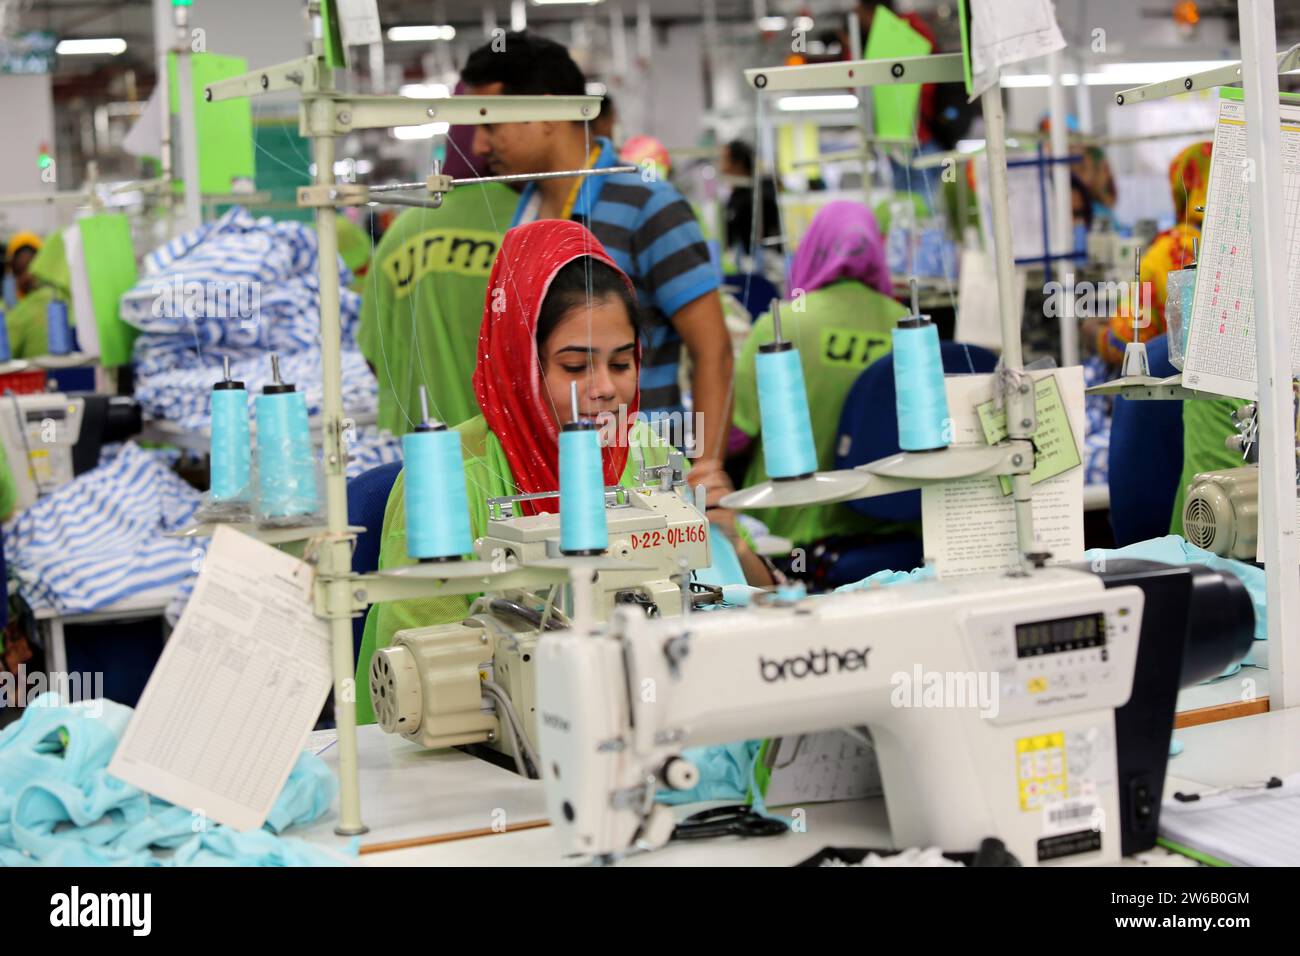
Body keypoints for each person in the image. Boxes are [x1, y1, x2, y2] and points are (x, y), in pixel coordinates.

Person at [354, 220, 767, 722]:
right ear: (519, 363)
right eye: (575, 367)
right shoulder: (451, 483)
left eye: (620, 364)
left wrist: (733, 540)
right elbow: (421, 673)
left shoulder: (649, 455)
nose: (605, 389)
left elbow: (731, 604)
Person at [460, 32, 735, 490]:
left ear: (547, 112)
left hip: (646, 473)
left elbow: (714, 350)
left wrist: (704, 474)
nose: (480, 147)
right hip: (559, 476)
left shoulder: (648, 205)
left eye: (491, 125)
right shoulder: (522, 220)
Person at [731, 200, 909, 549]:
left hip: (792, 530)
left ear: (812, 248)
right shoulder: (904, 322)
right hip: (891, 531)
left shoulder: (781, 324)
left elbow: (736, 435)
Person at [356, 182, 518, 434]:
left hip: (422, 444)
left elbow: (373, 353)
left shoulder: (402, 231)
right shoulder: (539, 220)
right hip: (511, 446)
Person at [721, 139, 781, 257]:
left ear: (738, 163)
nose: (722, 167)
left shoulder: (760, 198)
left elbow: (772, 241)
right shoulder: (734, 198)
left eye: (725, 160)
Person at [4, 232, 42, 300]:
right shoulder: (4, 306)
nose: (26, 277)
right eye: (20, 270)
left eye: (31, 269)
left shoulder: (51, 303)